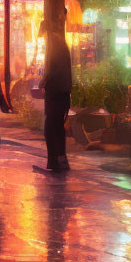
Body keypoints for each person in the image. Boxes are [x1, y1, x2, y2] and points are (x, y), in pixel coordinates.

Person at [42, 29, 72, 172]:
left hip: (55, 93)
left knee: (51, 127)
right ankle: (61, 160)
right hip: (63, 93)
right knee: (58, 127)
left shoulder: (54, 45)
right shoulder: (61, 45)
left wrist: (44, 81)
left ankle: (54, 161)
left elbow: (52, 70)